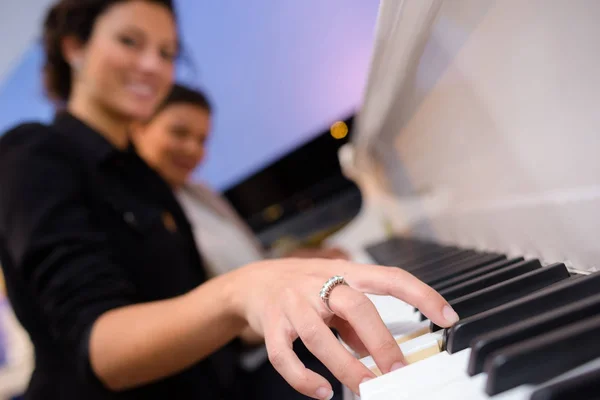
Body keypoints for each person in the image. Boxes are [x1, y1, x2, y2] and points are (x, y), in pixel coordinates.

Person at [0, 1, 460, 400]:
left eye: (166, 53)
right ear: (74, 47)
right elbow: (98, 349)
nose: (152, 66)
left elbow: (205, 320)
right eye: (130, 41)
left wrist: (297, 297)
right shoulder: (33, 153)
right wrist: (242, 287)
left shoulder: (145, 179)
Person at [130, 83, 352, 398]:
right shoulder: (146, 218)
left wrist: (305, 258)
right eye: (179, 133)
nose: (193, 149)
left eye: (202, 140)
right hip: (249, 361)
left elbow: (253, 261)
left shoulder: (202, 194)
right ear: (138, 128)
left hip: (281, 331)